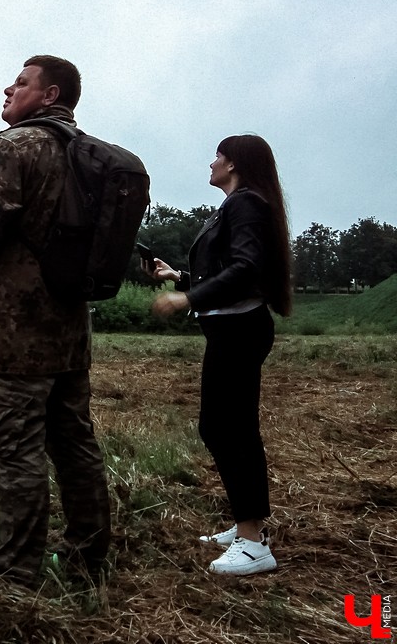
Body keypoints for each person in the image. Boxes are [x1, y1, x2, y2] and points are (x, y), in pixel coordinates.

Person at [0, 55, 110, 585]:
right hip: (69, 332)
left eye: (21, 82)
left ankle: (15, 576)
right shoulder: (92, 157)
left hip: (10, 336)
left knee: (15, 451)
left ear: (51, 95)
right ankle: (88, 556)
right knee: (75, 444)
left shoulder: (14, 147)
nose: (8, 89)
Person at [145, 134, 292, 576]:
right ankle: (247, 527)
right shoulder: (240, 204)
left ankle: (253, 542)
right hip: (234, 329)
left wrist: (187, 298)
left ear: (234, 163)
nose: (211, 163)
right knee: (225, 427)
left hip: (238, 330)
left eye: (218, 156)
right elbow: (231, 268)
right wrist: (181, 276)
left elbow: (246, 269)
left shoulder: (245, 203)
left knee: (230, 430)